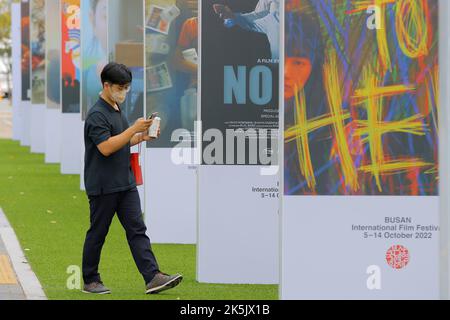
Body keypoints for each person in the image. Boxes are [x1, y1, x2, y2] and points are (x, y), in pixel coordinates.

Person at [82, 62, 183, 294]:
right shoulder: (97, 114)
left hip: (125, 183)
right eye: (120, 87)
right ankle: (90, 280)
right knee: (98, 233)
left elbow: (121, 142)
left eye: (127, 87)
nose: (124, 92)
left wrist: (142, 136)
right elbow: (106, 147)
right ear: (106, 86)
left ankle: (153, 276)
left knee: (137, 229)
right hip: (103, 185)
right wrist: (132, 130)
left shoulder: (117, 110)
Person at [213, 0, 279, 60]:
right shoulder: (271, 20)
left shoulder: (272, 19)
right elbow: (258, 15)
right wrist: (231, 16)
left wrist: (232, 17)